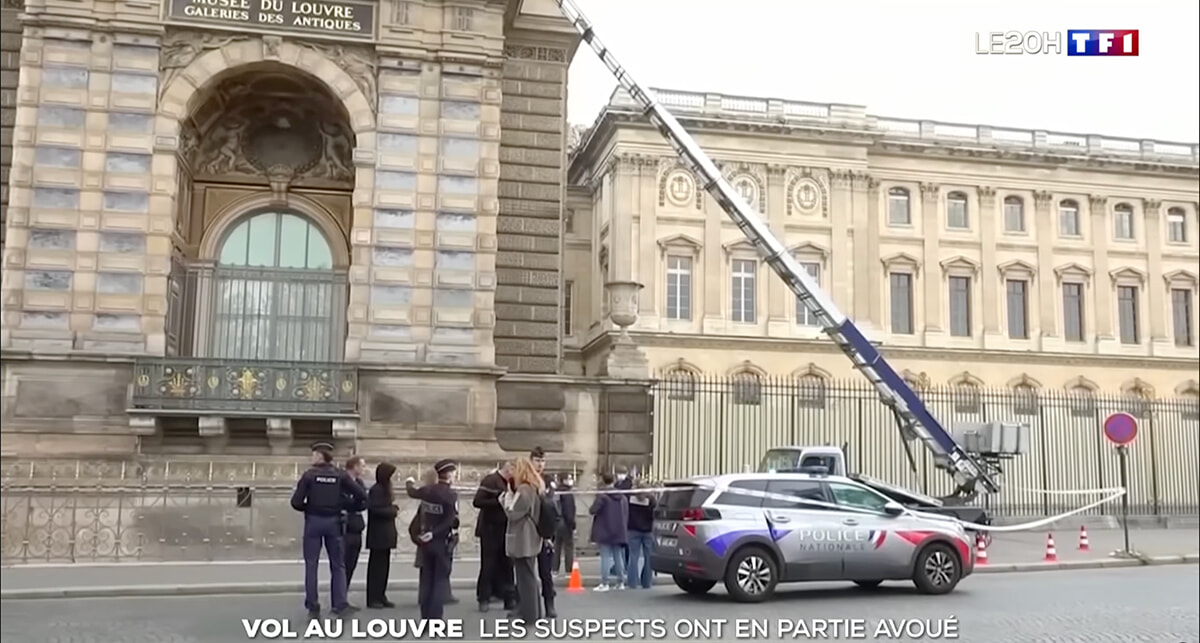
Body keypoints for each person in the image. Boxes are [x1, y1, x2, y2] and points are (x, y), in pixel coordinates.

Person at [290, 441, 367, 618]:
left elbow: (295, 502)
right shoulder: (340, 475)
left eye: (313, 454)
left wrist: (309, 508)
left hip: (313, 522)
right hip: (334, 523)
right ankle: (339, 603)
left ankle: (313, 605)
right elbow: (361, 495)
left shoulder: (309, 476)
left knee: (311, 565)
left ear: (319, 456)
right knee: (338, 565)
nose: (311, 457)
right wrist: (346, 506)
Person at [405, 459, 459, 620]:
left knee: (427, 581)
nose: (454, 476)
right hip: (440, 542)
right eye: (454, 473)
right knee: (439, 582)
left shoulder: (427, 491)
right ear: (448, 475)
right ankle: (436, 619)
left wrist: (409, 482)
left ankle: (426, 618)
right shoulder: (450, 495)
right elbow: (449, 520)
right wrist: (434, 533)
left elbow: (412, 492)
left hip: (425, 542)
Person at [502, 457, 544, 624]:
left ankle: (530, 615)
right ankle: (533, 612)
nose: (510, 473)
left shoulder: (524, 490)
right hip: (529, 535)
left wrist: (506, 498)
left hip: (524, 537)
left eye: (513, 469)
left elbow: (513, 513)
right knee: (528, 576)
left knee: (525, 578)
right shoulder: (533, 487)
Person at [473, 461, 516, 613]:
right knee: (488, 564)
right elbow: (477, 501)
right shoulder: (490, 481)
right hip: (490, 528)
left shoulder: (511, 482)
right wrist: (498, 501)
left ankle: (509, 598)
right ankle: (483, 598)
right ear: (508, 468)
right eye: (514, 470)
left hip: (506, 528)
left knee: (507, 565)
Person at [528, 447, 557, 618]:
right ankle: (524, 603)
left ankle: (549, 603)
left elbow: (548, 504)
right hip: (528, 531)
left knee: (545, 572)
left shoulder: (548, 480)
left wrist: (549, 535)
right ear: (531, 461)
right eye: (537, 461)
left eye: (542, 461)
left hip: (544, 531)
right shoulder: (525, 479)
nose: (540, 464)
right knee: (525, 571)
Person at [365, 461, 398, 609]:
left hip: (385, 533)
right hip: (378, 534)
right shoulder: (377, 490)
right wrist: (392, 511)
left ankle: (381, 595)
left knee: (384, 568)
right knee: (376, 568)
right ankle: (373, 597)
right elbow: (375, 509)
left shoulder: (384, 489)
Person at [589, 472, 629, 591]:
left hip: (604, 530)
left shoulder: (602, 496)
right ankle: (621, 582)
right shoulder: (622, 497)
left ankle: (605, 583)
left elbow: (592, 510)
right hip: (619, 530)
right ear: (614, 481)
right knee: (618, 557)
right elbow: (626, 513)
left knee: (605, 557)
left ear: (602, 480)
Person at [342, 456, 368, 589]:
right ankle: (339, 594)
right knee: (343, 563)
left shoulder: (359, 482)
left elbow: (365, 502)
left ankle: (344, 591)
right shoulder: (342, 482)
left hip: (357, 526)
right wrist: (354, 503)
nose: (364, 468)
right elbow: (344, 502)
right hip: (345, 527)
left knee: (352, 564)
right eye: (362, 466)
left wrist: (355, 503)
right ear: (355, 466)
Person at [625, 479, 656, 589]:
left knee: (633, 556)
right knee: (648, 557)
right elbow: (654, 514)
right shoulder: (651, 499)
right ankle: (646, 582)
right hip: (648, 530)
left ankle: (632, 582)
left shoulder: (630, 498)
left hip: (633, 529)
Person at [552, 474, 577, 577]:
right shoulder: (567, 493)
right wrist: (573, 525)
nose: (571, 480)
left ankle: (554, 569)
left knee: (556, 546)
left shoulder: (555, 492)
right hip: (566, 523)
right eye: (569, 478)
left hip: (556, 522)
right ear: (564, 480)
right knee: (568, 547)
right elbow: (569, 510)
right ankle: (568, 571)